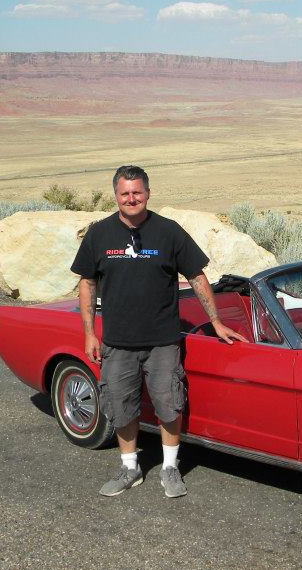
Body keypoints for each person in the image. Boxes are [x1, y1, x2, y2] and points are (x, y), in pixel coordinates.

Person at [70, 165, 246, 498]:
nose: (131, 198)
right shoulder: (99, 234)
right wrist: (89, 332)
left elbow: (197, 277)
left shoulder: (169, 232)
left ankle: (169, 468)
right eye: (125, 193)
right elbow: (87, 282)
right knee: (121, 405)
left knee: (169, 403)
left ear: (148, 194)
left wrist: (217, 322)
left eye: (137, 192)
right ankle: (130, 468)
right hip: (118, 342)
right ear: (116, 196)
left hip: (163, 342)